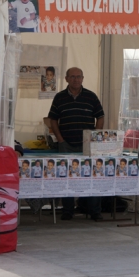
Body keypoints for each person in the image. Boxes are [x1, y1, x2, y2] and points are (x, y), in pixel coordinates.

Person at [48, 67, 105, 221]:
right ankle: (68, 210)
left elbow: (100, 116)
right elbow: (53, 119)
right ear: (66, 79)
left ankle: (95, 212)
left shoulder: (91, 96)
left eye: (79, 77)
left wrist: (94, 137)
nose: (76, 79)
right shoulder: (59, 97)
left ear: (83, 78)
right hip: (66, 144)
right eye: (72, 77)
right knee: (67, 177)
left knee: (92, 176)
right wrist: (60, 139)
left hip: (88, 146)